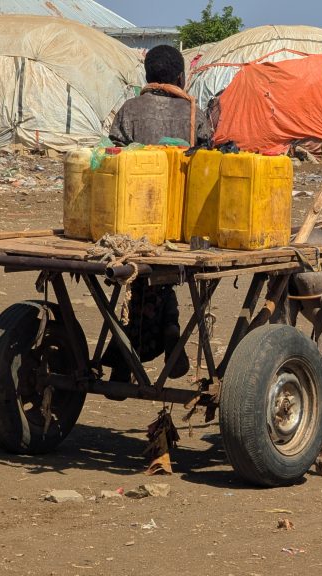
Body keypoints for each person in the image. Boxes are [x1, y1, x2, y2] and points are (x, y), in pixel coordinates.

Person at [102, 45, 201, 384]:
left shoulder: (129, 110)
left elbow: (112, 155)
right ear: (179, 77)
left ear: (147, 76)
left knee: (142, 286)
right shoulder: (193, 114)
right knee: (159, 280)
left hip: (131, 220)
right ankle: (167, 328)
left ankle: (124, 354)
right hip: (178, 222)